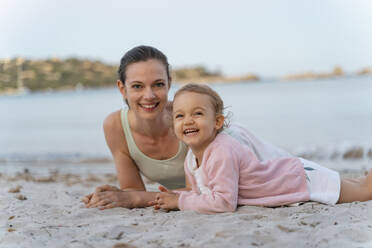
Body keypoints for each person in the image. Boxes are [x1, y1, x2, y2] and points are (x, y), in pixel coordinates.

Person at [83, 45, 291, 210]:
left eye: (158, 84)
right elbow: (134, 191)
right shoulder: (115, 126)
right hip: (212, 193)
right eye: (137, 86)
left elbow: (216, 191)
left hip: (261, 169)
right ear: (122, 88)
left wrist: (134, 197)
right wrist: (118, 195)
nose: (149, 96)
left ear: (169, 83)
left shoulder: (190, 123)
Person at [150, 84, 372, 214]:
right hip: (291, 175)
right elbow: (201, 193)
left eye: (197, 113)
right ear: (173, 125)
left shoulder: (221, 151)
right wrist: (177, 196)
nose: (188, 121)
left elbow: (224, 203)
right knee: (360, 184)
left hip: (298, 179)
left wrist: (179, 202)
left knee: (365, 191)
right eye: (180, 116)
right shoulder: (191, 158)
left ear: (217, 122)